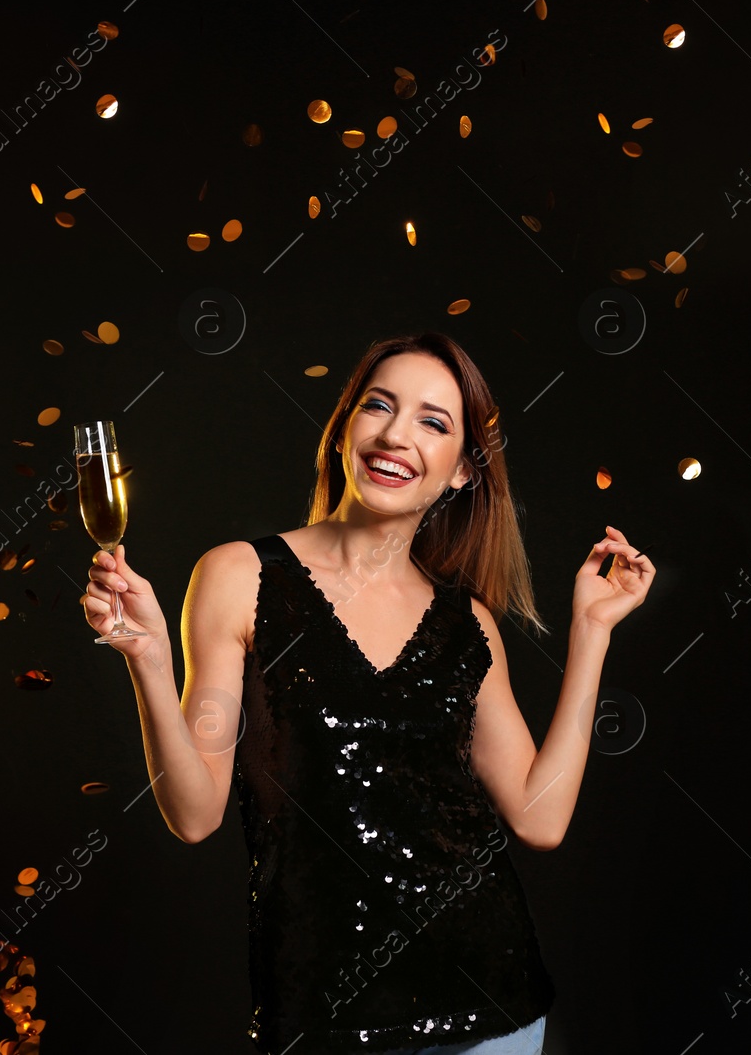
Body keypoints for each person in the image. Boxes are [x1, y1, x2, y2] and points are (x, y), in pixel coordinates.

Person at [85, 331, 654, 1053]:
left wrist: (593, 631)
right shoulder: (239, 576)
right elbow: (194, 812)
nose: (396, 434)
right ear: (344, 429)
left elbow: (539, 820)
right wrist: (149, 657)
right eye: (378, 406)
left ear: (461, 473)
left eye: (433, 421)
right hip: (320, 1014)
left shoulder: (466, 621)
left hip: (492, 1004)